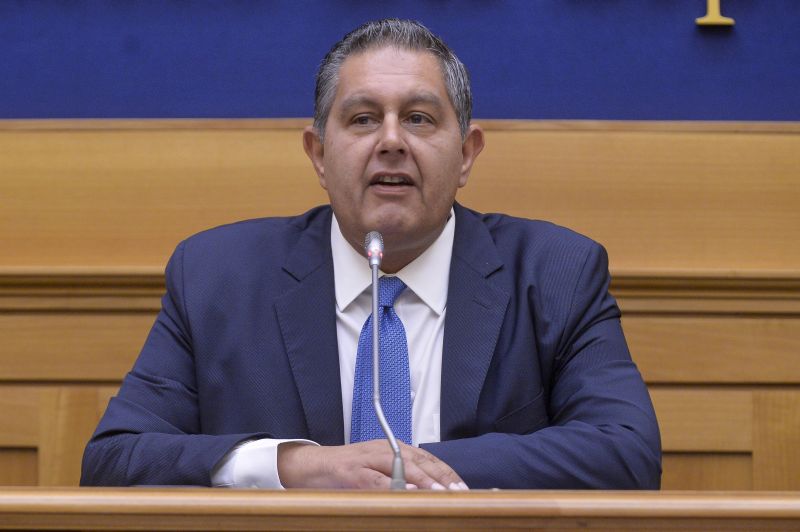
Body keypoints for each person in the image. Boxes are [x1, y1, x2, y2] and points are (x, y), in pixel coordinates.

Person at [81, 19, 661, 490]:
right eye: (363, 119)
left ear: (466, 154)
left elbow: (627, 452)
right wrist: (295, 466)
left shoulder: (557, 273)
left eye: (418, 118)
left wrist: (403, 470)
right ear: (318, 154)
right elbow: (115, 459)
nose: (391, 141)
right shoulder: (217, 277)